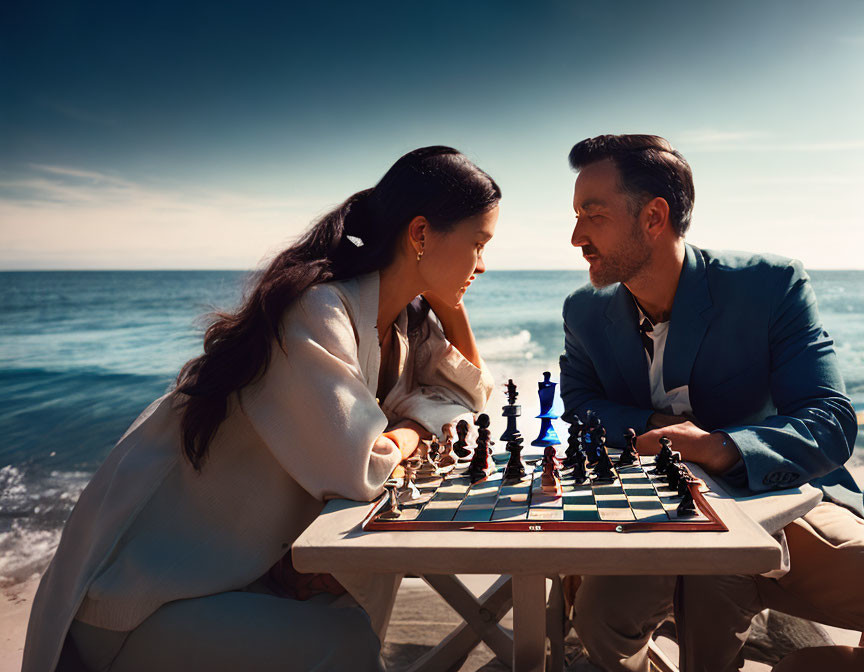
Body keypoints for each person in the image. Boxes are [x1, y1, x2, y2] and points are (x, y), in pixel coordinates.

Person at [23, 146, 499, 672]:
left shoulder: (400, 326)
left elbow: (466, 395)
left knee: (355, 601)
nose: (482, 264)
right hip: (140, 597)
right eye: (478, 244)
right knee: (347, 641)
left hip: (230, 573)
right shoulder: (318, 310)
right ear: (420, 234)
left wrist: (450, 307)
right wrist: (410, 429)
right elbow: (363, 466)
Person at [559, 134, 864, 672]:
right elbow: (580, 404)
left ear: (654, 217)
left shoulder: (771, 286)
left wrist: (722, 447)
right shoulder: (585, 310)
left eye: (593, 214)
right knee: (601, 618)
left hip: (778, 501)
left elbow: (830, 421)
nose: (577, 235)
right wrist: (653, 425)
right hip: (652, 513)